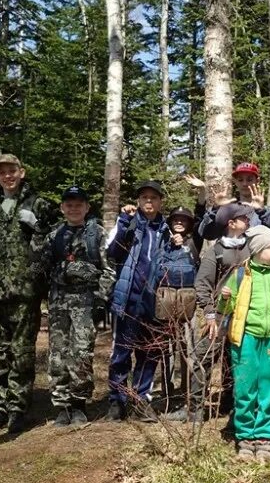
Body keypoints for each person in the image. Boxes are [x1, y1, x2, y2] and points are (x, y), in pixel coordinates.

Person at [0, 154, 58, 435]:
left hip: (26, 290)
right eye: (1, 173)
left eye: (12, 171)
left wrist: (39, 227)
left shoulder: (39, 204)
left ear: (22, 172)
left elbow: (61, 236)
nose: (7, 176)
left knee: (22, 352)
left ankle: (18, 408)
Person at [217, 226, 270, 463]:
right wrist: (224, 300)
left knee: (269, 388)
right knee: (245, 388)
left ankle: (263, 438)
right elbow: (225, 311)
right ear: (257, 250)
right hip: (246, 340)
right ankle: (245, 437)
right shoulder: (240, 276)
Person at [31, 186, 110, 427]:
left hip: (86, 303)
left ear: (87, 207)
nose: (74, 208)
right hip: (58, 303)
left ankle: (79, 403)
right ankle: (61, 405)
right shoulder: (54, 234)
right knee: (58, 354)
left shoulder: (97, 234)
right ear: (62, 208)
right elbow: (37, 267)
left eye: (78, 204)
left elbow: (109, 268)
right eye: (69, 204)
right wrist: (38, 233)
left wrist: (101, 299)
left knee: (82, 354)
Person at [168, 202, 253, 423]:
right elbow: (203, 283)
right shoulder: (216, 250)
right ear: (231, 223)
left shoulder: (253, 247)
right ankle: (194, 410)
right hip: (219, 316)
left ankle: (234, 407)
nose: (248, 221)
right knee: (203, 359)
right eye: (244, 218)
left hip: (245, 315)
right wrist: (209, 312)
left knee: (238, 361)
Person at [106, 180, 172, 421]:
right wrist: (123, 223)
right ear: (137, 201)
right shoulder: (129, 223)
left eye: (153, 197)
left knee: (150, 351)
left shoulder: (167, 229)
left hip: (155, 302)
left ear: (160, 201)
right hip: (129, 299)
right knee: (122, 351)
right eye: (144, 197)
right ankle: (117, 399)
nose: (148, 201)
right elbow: (113, 253)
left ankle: (140, 398)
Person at [154, 206, 203, 411]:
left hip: (188, 303)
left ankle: (187, 392)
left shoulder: (194, 242)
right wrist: (170, 245)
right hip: (165, 301)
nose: (180, 222)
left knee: (188, 348)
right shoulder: (162, 241)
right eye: (176, 219)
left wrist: (201, 195)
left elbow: (203, 221)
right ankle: (166, 392)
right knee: (166, 349)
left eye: (184, 220)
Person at [192, 163, 270, 240]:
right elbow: (206, 234)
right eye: (240, 180)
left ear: (257, 181)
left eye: (249, 179)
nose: (244, 183)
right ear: (235, 181)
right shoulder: (227, 210)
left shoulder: (267, 212)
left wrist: (262, 211)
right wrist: (215, 209)